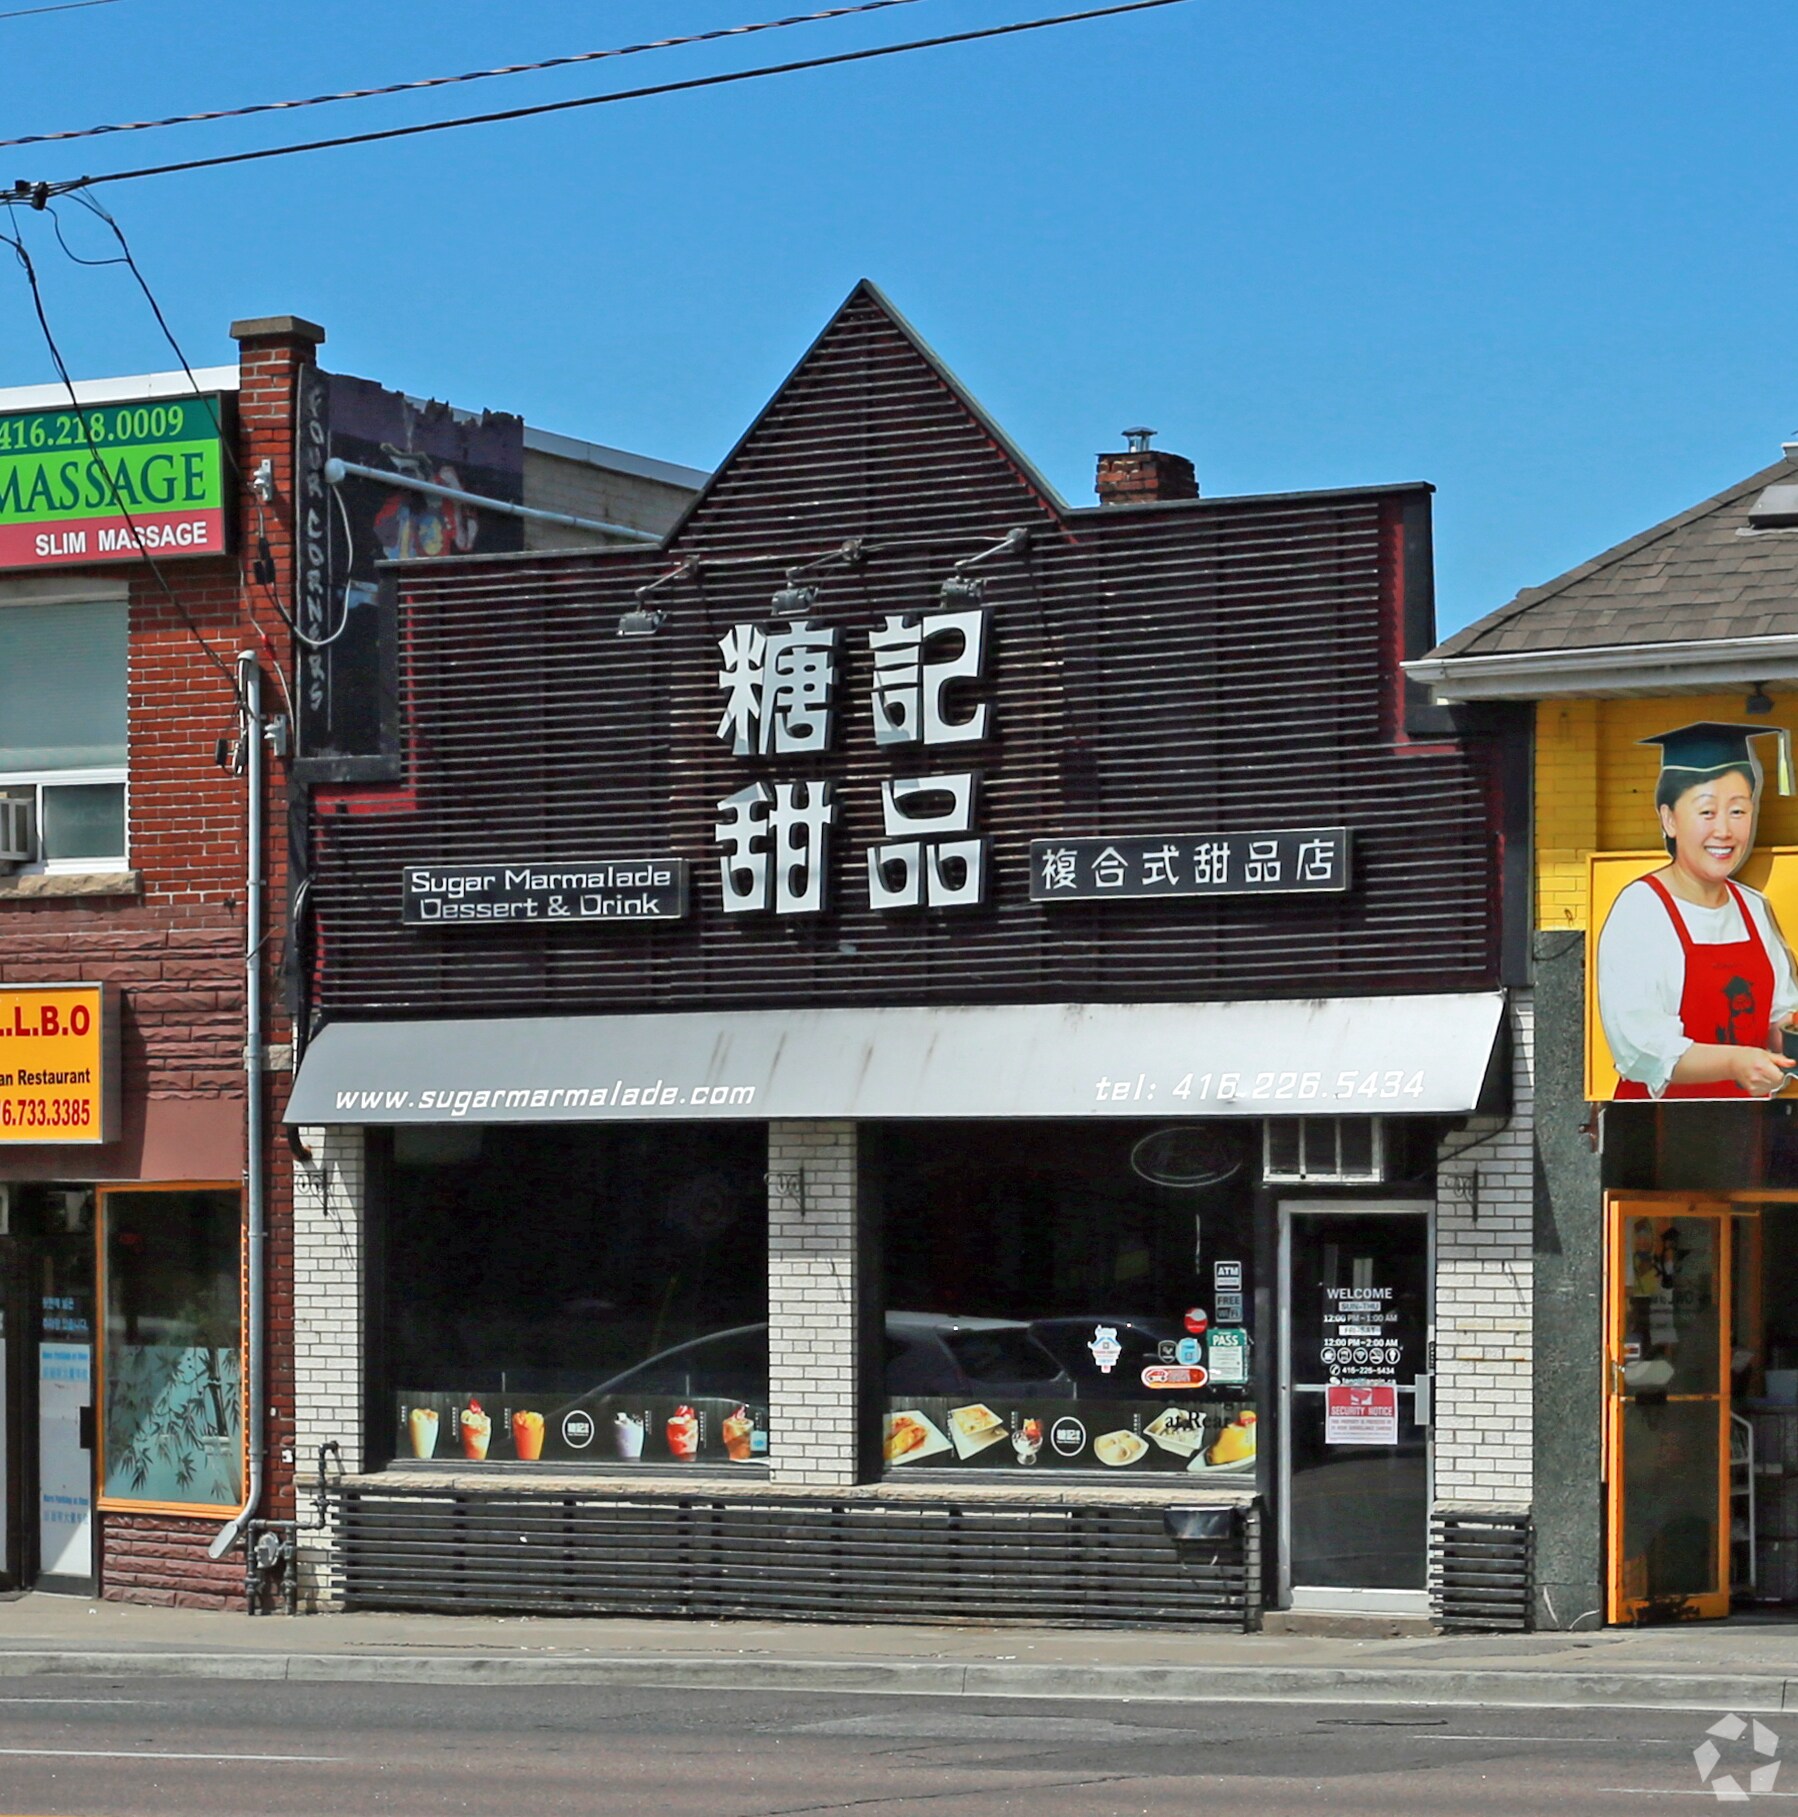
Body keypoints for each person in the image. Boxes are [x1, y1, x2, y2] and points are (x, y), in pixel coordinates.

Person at [1596, 722, 1798, 1098]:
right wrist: (1734, 1063)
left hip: (1748, 1124)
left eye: (1738, 811)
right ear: (1669, 819)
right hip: (1661, 1126)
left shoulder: (1753, 908)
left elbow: (1778, 1018)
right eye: (1707, 812)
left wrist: (1789, 1034)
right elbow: (1640, 1048)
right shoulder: (1641, 909)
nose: (1724, 830)